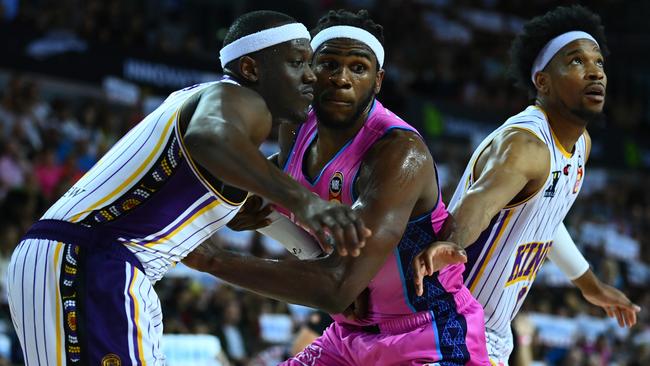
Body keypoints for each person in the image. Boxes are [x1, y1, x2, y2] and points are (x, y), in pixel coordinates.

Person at [6, 10, 370, 365]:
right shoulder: (238, 99)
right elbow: (209, 137)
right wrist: (307, 202)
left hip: (75, 260)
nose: (311, 77)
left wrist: (320, 266)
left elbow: (238, 210)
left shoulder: (207, 111)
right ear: (251, 70)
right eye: (297, 63)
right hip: (93, 263)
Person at [185, 9, 490, 365]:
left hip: (427, 336)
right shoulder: (296, 125)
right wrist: (244, 207)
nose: (341, 79)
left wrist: (213, 260)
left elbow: (336, 287)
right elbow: (262, 207)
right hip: (346, 338)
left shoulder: (398, 152)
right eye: (328, 64)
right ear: (309, 70)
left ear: (378, 81)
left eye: (357, 68)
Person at [412, 5, 641, 365]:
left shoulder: (580, 145)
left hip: (492, 334)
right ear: (543, 82)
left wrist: (590, 286)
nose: (595, 72)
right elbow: (477, 207)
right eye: (576, 61)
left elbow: (544, 220)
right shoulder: (524, 144)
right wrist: (450, 242)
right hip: (448, 325)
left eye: (598, 62)